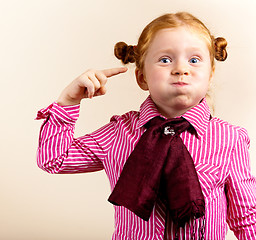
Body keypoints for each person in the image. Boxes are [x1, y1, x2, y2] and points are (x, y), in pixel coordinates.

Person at [35, 12, 256, 239]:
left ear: (210, 74)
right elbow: (54, 160)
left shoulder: (230, 139)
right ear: (142, 77)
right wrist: (69, 101)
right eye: (165, 60)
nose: (181, 69)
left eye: (194, 60)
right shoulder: (118, 133)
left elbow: (246, 218)